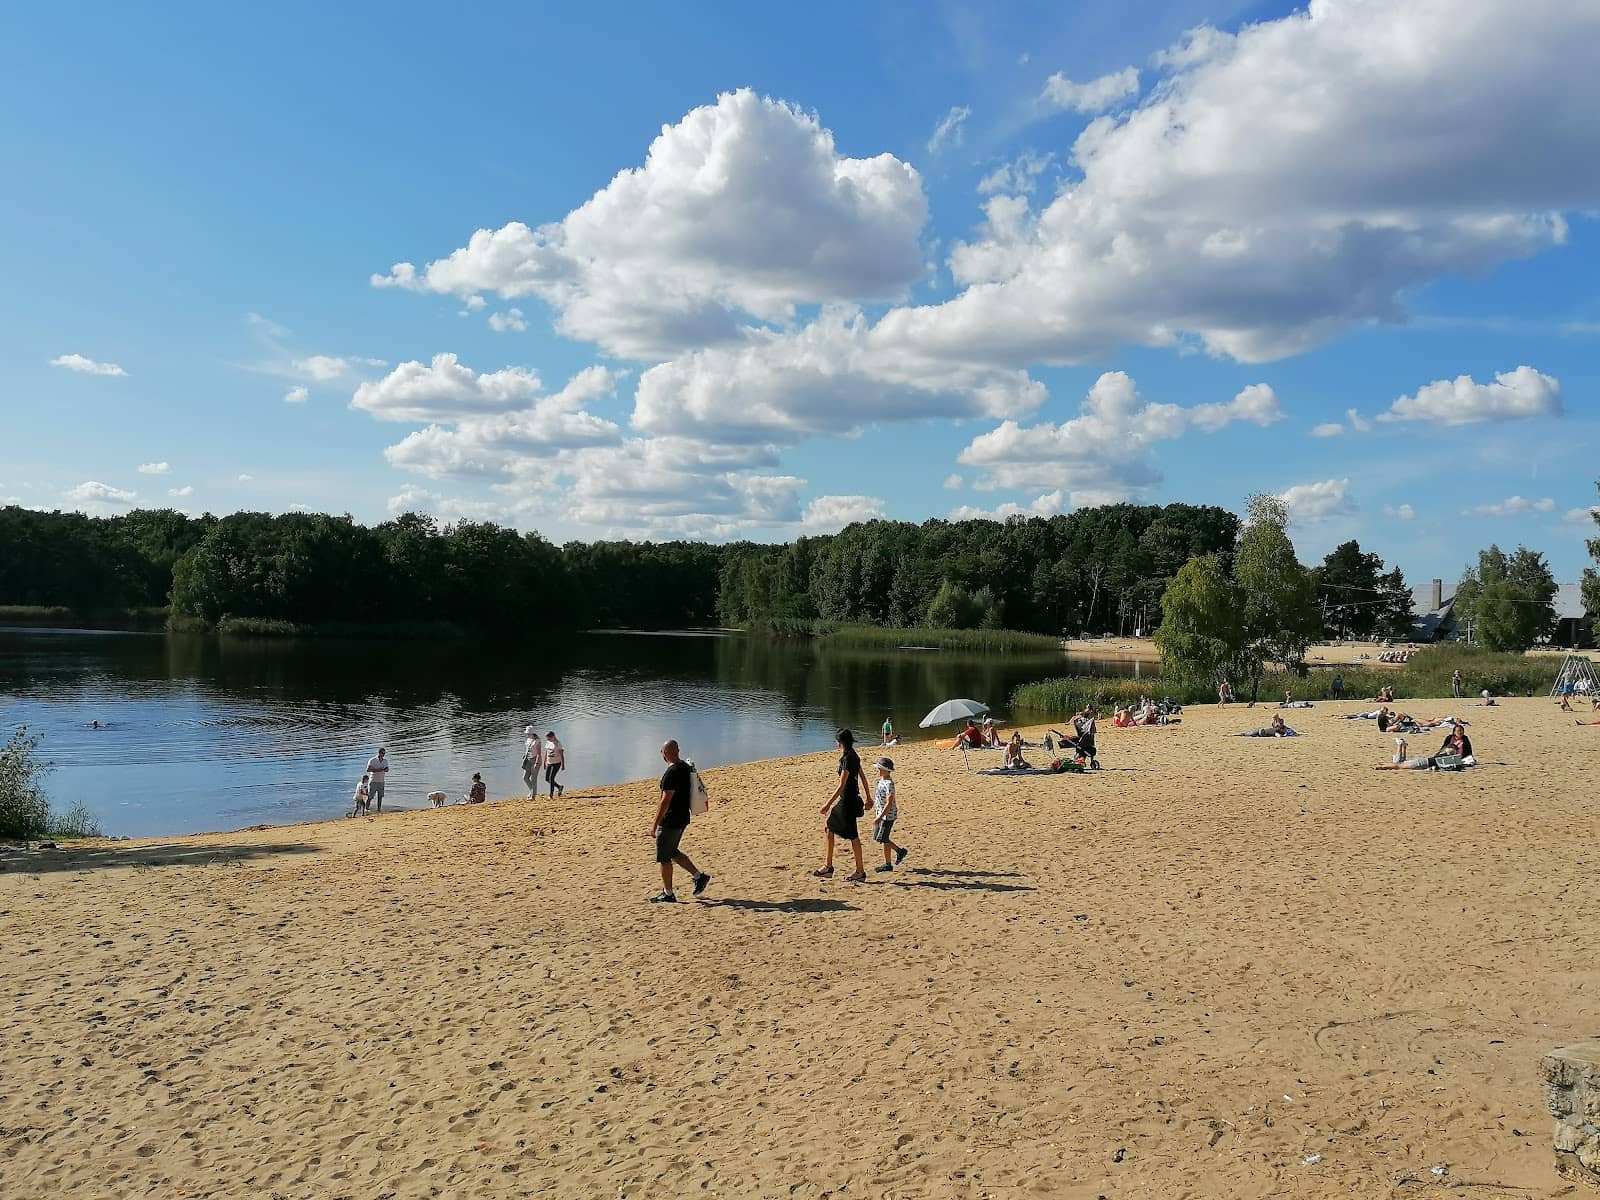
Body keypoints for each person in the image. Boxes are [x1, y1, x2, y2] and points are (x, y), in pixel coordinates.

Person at [648, 739, 710, 903]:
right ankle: (699, 876)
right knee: (672, 851)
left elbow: (665, 800)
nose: (661, 754)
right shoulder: (685, 767)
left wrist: (655, 824)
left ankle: (668, 893)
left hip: (671, 820)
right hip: (683, 818)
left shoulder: (671, 773)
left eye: (662, 751)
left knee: (664, 857)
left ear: (665, 753)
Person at [816, 729, 872, 882]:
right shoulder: (854, 756)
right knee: (831, 829)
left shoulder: (847, 759)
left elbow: (842, 785)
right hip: (851, 800)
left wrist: (827, 804)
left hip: (847, 801)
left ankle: (855, 871)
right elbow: (863, 777)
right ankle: (830, 867)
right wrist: (868, 797)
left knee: (851, 836)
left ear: (840, 743)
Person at [870, 756, 907, 873]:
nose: (878, 770)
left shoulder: (889, 783)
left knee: (883, 838)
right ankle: (895, 855)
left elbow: (890, 802)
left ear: (887, 770)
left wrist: (880, 817)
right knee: (880, 838)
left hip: (888, 816)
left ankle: (892, 860)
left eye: (880, 768)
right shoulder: (881, 780)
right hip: (881, 814)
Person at [364, 746, 390, 812]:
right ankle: (366, 809)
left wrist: (386, 769)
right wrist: (379, 770)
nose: (383, 755)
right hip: (373, 781)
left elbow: (387, 769)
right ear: (379, 753)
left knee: (380, 796)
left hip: (381, 781)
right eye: (382, 753)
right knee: (370, 797)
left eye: (384, 753)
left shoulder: (385, 761)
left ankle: (379, 809)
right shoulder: (372, 760)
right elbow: (368, 769)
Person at [522, 725, 545, 799]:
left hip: (535, 760)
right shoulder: (528, 739)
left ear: (533, 733)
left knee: (533, 779)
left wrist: (537, 763)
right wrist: (525, 755)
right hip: (528, 759)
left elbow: (539, 753)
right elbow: (527, 749)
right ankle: (531, 791)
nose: (527, 734)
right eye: (527, 733)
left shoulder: (537, 741)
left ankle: (533, 795)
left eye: (528, 733)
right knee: (525, 777)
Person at [543, 731, 565, 798]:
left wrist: (563, 765)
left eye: (548, 738)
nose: (547, 740)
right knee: (547, 779)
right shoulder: (548, 742)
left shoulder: (558, 743)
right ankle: (559, 787)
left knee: (551, 778)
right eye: (547, 738)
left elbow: (561, 755)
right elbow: (546, 752)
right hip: (549, 763)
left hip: (557, 763)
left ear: (553, 737)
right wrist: (544, 762)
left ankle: (551, 795)